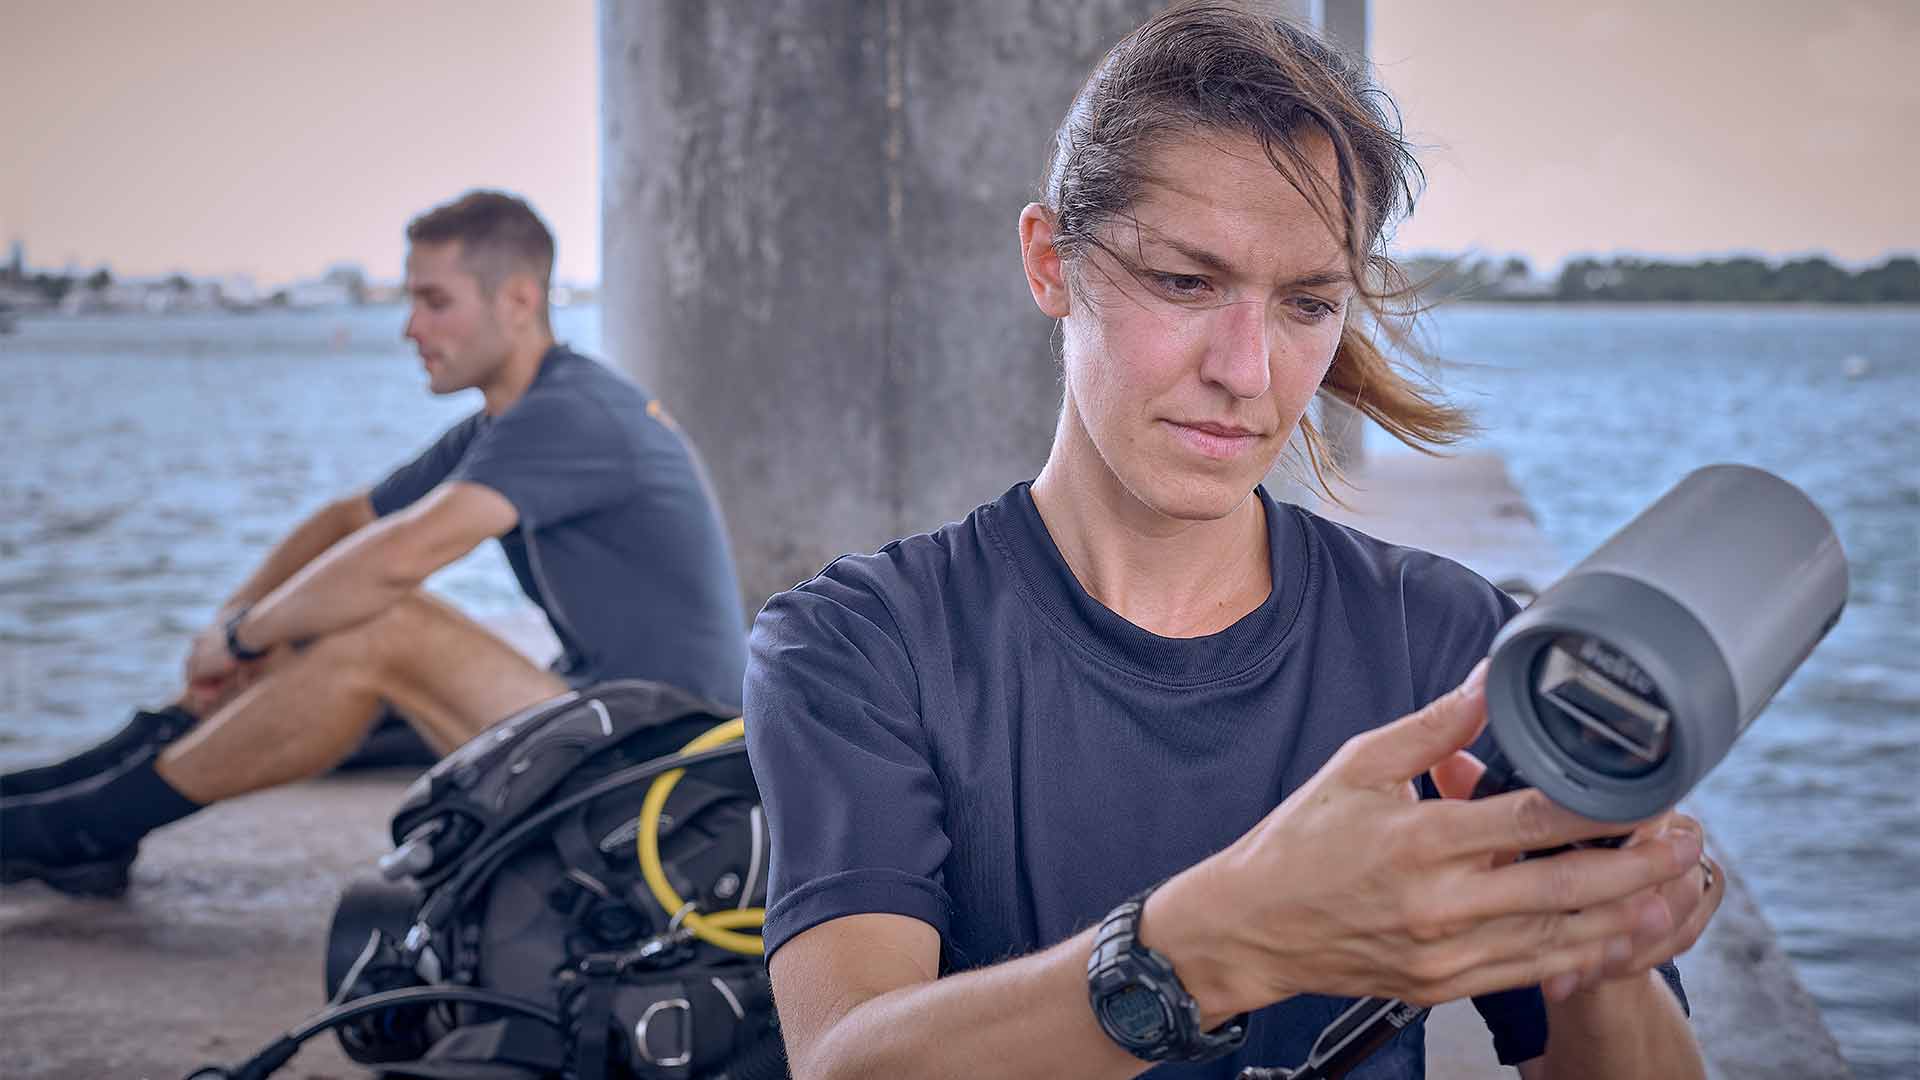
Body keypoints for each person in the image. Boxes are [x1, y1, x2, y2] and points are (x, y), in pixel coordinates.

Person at [742, 6, 1719, 1078]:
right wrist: (1210, 947)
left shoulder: (1446, 645)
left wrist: (1600, 934)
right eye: (1185, 282)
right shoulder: (862, 647)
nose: (1248, 371)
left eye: (1308, 304)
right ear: (1049, 263)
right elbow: (845, 1060)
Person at [2, 190, 747, 898]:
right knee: (311, 620)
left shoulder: (574, 414)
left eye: (435, 301)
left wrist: (240, 636)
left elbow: (400, 556)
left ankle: (79, 828)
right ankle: (76, 792)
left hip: (667, 775)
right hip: (611, 725)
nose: (410, 328)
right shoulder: (516, 417)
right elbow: (350, 522)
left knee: (383, 622)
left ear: (518, 301)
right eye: (411, 300)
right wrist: (236, 624)